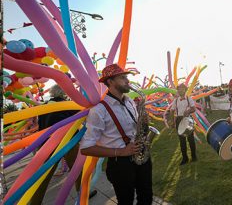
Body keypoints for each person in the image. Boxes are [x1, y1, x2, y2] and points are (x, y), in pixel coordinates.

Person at [80, 64, 153, 205]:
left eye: (126, 77)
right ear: (110, 81)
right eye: (122, 77)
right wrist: (121, 151)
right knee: (125, 201)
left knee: (146, 196)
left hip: (141, 156)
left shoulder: (130, 101)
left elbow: (135, 128)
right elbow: (85, 148)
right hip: (121, 165)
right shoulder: (98, 111)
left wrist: (143, 122)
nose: (127, 81)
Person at [30, 84, 97, 204]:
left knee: (43, 176)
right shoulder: (68, 105)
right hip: (68, 142)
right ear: (64, 93)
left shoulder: (45, 106)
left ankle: (35, 202)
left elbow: (41, 125)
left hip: (48, 143)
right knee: (77, 169)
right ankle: (82, 194)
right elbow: (83, 117)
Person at [169, 83, 197, 165]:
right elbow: (172, 110)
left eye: (182, 88)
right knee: (182, 140)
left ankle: (194, 157)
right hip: (179, 119)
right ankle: (185, 158)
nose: (180, 90)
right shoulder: (176, 100)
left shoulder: (189, 99)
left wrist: (188, 111)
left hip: (188, 119)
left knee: (191, 139)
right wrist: (172, 121)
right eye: (179, 89)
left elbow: (193, 108)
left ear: (185, 90)